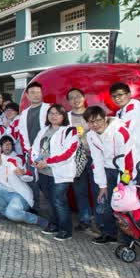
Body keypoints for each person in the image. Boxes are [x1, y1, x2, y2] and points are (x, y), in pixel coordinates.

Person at [84, 106, 134, 245]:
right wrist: (102, 185)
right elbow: (97, 160)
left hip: (125, 170)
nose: (95, 124)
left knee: (124, 205)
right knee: (105, 202)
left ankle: (128, 240)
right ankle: (109, 233)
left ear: (105, 118)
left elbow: (128, 157)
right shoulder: (91, 135)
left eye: (98, 120)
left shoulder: (120, 131)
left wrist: (124, 182)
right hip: (107, 170)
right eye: (91, 122)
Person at [31, 104, 79, 241]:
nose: (54, 116)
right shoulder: (44, 130)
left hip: (60, 173)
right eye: (51, 113)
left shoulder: (70, 131)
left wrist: (48, 162)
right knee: (50, 200)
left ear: (63, 116)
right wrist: (34, 160)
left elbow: (68, 153)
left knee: (59, 201)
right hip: (43, 172)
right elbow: (35, 148)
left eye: (57, 113)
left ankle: (66, 229)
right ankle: (54, 225)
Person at [0, 141, 49, 229]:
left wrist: (23, 173)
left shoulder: (11, 161)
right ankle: (5, 213)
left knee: (12, 214)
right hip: (6, 193)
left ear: (0, 150)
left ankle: (37, 219)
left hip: (20, 195)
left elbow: (30, 178)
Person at [110, 82, 140, 182]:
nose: (117, 98)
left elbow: (124, 129)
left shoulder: (134, 107)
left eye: (120, 95)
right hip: (134, 159)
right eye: (114, 96)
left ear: (129, 94)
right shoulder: (120, 112)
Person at [17, 82, 50, 210]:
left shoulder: (49, 109)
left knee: (47, 184)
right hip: (31, 153)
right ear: (27, 95)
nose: (36, 95)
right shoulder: (24, 113)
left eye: (38, 92)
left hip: (47, 154)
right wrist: (29, 151)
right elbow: (22, 133)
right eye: (32, 93)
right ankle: (35, 208)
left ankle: (52, 214)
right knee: (32, 182)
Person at [66, 88, 93, 231]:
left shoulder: (92, 114)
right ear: (68, 101)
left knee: (98, 190)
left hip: (95, 158)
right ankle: (85, 219)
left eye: (78, 96)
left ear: (84, 97)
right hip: (76, 158)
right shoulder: (66, 118)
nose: (75, 100)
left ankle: (102, 222)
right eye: (72, 98)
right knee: (80, 190)